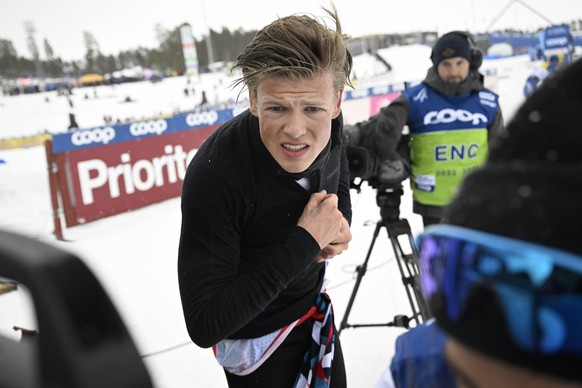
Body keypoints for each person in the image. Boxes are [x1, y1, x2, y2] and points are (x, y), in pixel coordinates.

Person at [177, 6, 353, 388]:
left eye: (312, 109)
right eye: (276, 108)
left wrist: (338, 227)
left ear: (337, 101)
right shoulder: (216, 174)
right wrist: (306, 242)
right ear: (253, 100)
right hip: (257, 350)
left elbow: (337, 173)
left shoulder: (332, 124)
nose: (296, 130)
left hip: (315, 318)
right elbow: (205, 323)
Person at [417, 57, 582, 387]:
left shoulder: (488, 103)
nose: (452, 70)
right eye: (460, 382)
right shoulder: (412, 367)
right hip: (452, 213)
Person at [344, 31, 504, 227]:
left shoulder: (487, 102)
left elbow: (501, 152)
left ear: (472, 62)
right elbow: (381, 127)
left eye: (459, 63)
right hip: (432, 204)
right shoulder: (416, 98)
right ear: (436, 66)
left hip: (476, 200)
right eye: (446, 64)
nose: (453, 71)